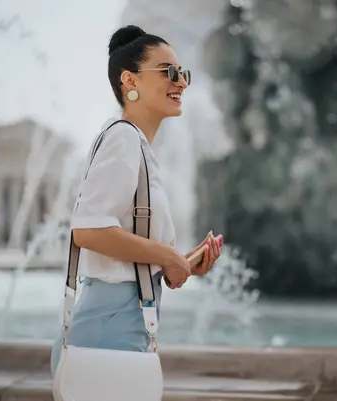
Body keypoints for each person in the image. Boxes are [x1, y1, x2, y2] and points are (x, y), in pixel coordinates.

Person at [50, 25, 223, 373]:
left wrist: (181, 265)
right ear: (129, 81)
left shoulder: (137, 146)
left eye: (183, 73)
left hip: (119, 325)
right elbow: (88, 231)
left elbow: (121, 251)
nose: (182, 82)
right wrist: (167, 254)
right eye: (169, 72)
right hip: (109, 330)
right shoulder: (123, 140)